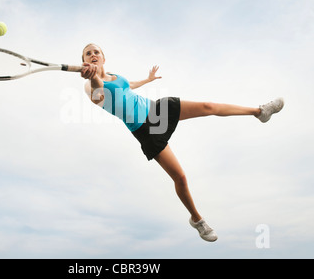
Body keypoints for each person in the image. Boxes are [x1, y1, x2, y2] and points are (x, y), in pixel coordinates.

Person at [80, 43, 284, 242]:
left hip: (156, 109)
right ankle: (197, 219)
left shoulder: (116, 76)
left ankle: (260, 112)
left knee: (208, 106)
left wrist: (148, 80)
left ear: (104, 58)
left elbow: (128, 85)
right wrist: (95, 78)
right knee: (180, 177)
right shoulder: (91, 85)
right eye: (88, 54)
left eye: (96, 51)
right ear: (84, 61)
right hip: (146, 130)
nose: (93, 55)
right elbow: (100, 95)